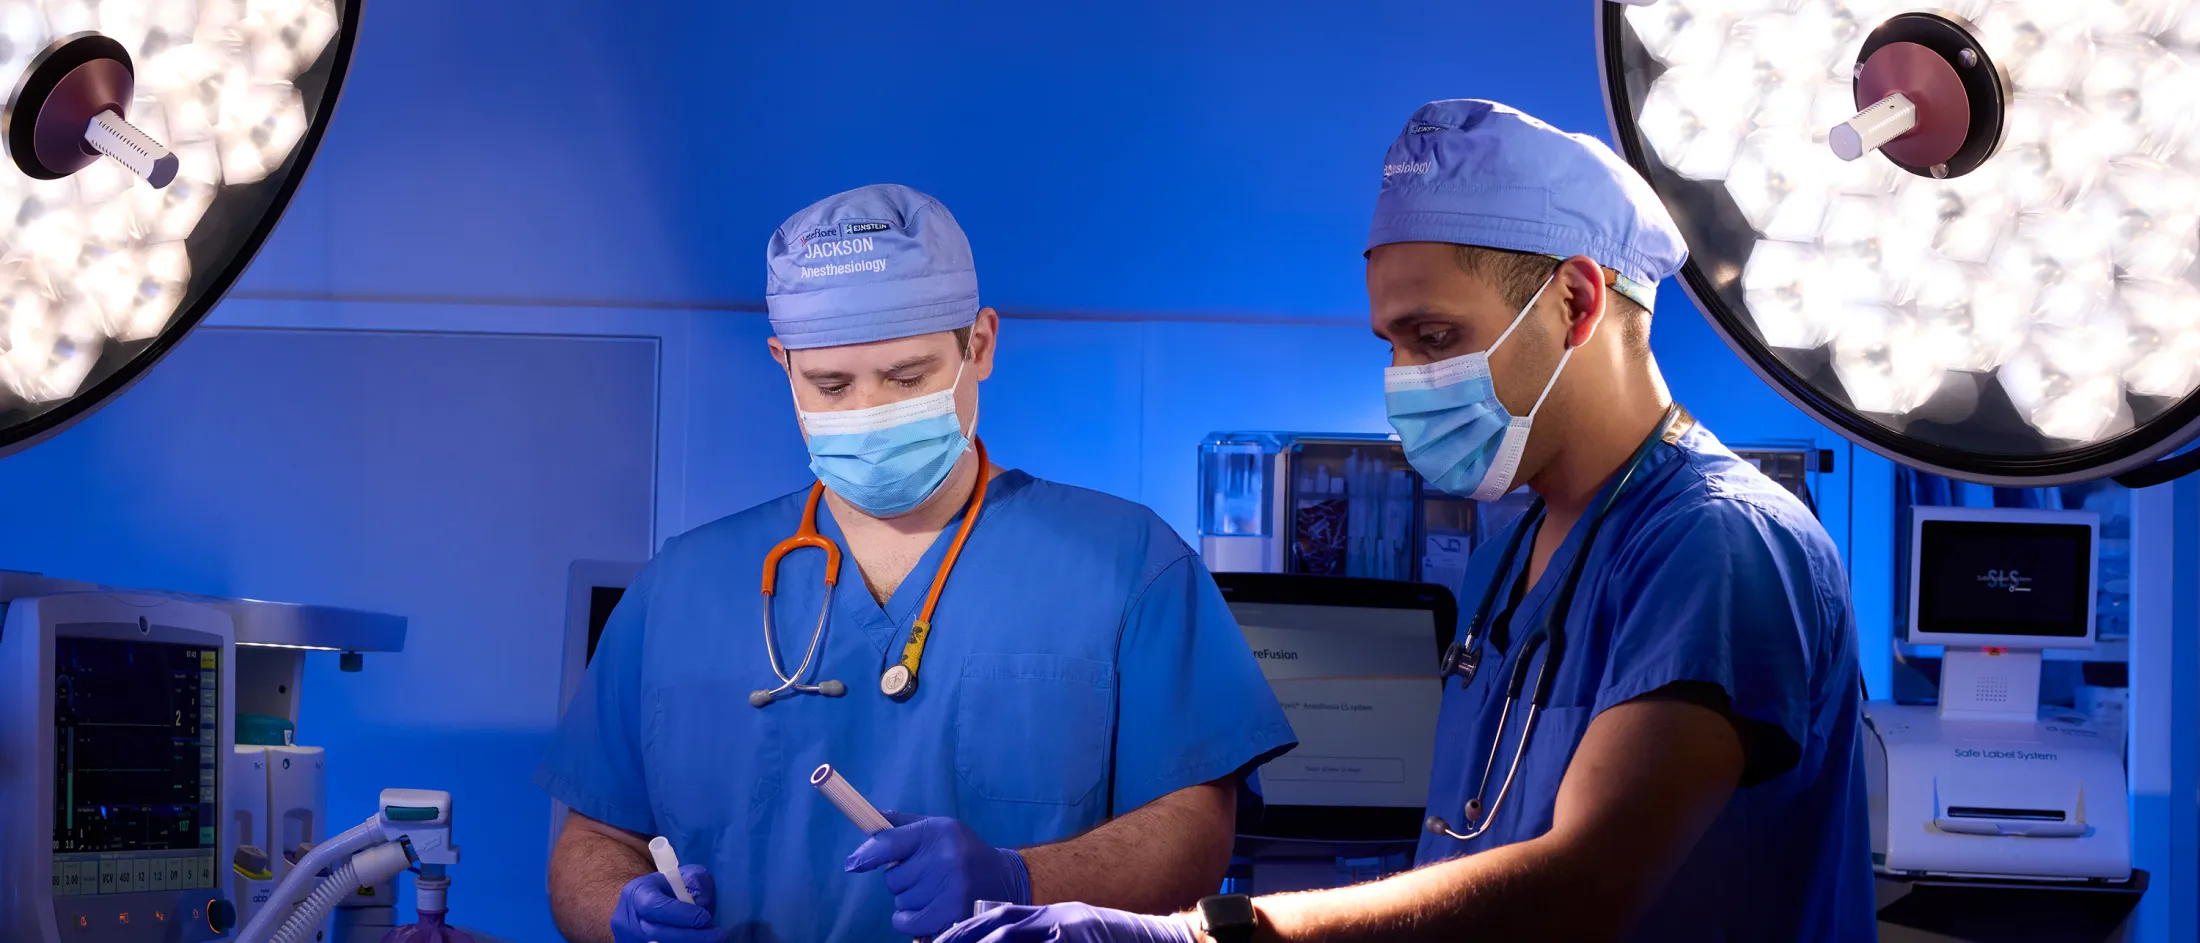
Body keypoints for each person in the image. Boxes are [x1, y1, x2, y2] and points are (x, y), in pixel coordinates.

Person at [935, 100, 1874, 942]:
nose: (1405, 381)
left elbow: (1580, 884)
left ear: (1577, 302)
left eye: (1434, 338)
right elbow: (1467, 860)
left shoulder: (1721, 544)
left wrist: (1212, 934)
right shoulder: (1512, 548)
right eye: (1392, 344)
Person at [536, 183, 1298, 943]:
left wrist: (1023, 880)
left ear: (980, 344)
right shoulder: (680, 586)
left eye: (907, 378)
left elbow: (1195, 831)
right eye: (831, 384)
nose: (869, 410)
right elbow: (592, 839)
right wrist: (619, 912)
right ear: (783, 364)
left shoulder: (1129, 564)